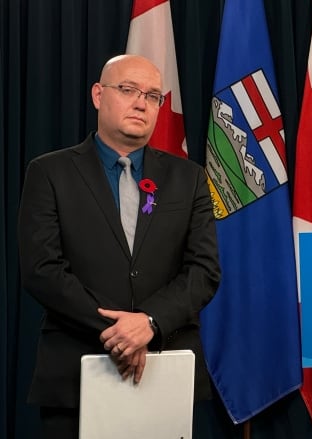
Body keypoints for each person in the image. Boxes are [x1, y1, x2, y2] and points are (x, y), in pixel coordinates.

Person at [17, 54, 221, 438]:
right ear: (98, 95)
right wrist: (120, 333)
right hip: (75, 373)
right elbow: (42, 269)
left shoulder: (188, 178)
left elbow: (204, 271)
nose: (141, 103)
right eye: (127, 90)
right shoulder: (49, 172)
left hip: (166, 373)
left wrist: (149, 323)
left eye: (153, 95)